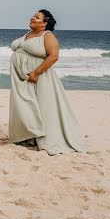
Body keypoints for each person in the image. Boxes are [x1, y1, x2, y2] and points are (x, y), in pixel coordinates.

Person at [8, 10, 86, 155]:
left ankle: (43, 137)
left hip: (39, 76)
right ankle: (28, 136)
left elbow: (54, 56)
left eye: (37, 17)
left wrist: (36, 73)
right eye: (33, 16)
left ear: (44, 24)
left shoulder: (48, 36)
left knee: (42, 105)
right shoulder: (28, 34)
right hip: (22, 78)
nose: (32, 18)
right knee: (24, 105)